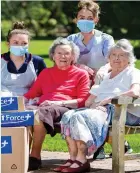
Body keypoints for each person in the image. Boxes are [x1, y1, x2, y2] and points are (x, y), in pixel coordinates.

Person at [53, 39, 140, 173]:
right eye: (113, 55)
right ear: (109, 58)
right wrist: (92, 100)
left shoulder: (132, 72)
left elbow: (135, 92)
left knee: (80, 117)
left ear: (129, 58)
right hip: (103, 110)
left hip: (123, 111)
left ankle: (82, 160)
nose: (117, 58)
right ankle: (73, 158)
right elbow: (90, 100)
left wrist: (108, 100)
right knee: (68, 115)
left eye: (122, 55)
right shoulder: (107, 76)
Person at [23, 37, 90, 171]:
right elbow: (30, 94)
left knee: (39, 113)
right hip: (44, 108)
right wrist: (15, 104)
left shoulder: (81, 74)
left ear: (73, 57)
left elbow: (83, 100)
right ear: (53, 56)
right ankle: (22, 155)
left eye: (67, 53)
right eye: (59, 53)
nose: (63, 56)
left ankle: (35, 156)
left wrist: (57, 102)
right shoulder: (46, 73)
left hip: (66, 109)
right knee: (25, 112)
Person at [67, 0, 114, 85]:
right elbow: (63, 62)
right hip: (76, 82)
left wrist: (103, 70)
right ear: (76, 19)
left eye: (90, 18)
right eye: (82, 18)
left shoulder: (106, 39)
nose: (85, 21)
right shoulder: (71, 40)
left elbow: (113, 62)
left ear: (96, 20)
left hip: (102, 81)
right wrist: (79, 67)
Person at [1, 21, 46, 97]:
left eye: (24, 43)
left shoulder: (37, 61)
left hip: (29, 101)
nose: (20, 46)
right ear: (8, 44)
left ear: (29, 44)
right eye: (15, 43)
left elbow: (46, 84)